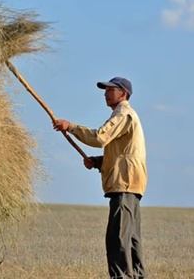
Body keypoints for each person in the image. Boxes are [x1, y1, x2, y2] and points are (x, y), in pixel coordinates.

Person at [54, 77, 147, 279]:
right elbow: (120, 153)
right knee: (130, 239)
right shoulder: (124, 115)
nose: (105, 93)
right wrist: (98, 162)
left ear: (123, 93)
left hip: (124, 183)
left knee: (118, 239)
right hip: (129, 183)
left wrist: (70, 127)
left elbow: (99, 137)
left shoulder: (123, 114)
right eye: (105, 90)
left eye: (110, 90)